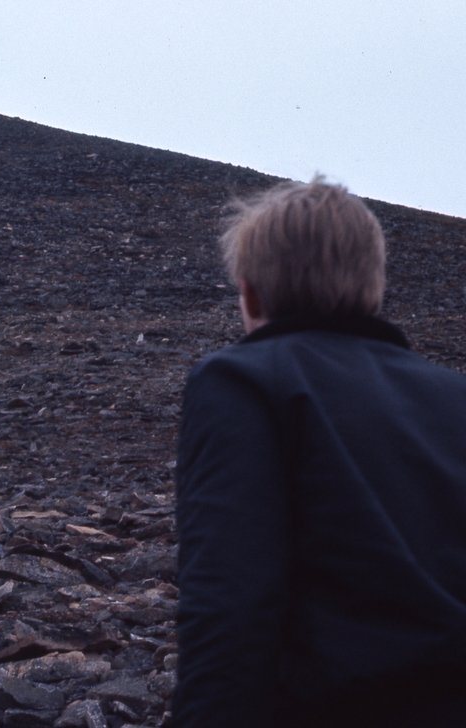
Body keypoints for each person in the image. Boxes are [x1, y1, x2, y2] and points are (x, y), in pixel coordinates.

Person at [174, 178, 466, 727]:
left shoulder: (243, 381)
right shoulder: (455, 395)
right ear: (374, 286)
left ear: (250, 292)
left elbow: (230, 601)